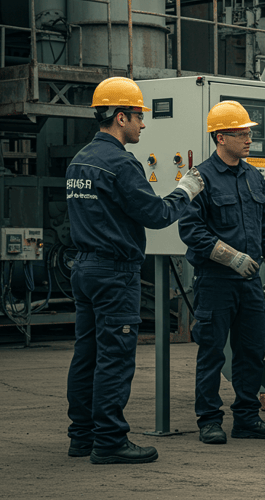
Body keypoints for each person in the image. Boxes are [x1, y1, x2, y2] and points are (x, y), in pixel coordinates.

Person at [66, 76, 205, 464]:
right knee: (114, 357)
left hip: (85, 269)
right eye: (140, 117)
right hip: (115, 272)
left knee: (87, 355)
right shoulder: (120, 163)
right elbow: (156, 215)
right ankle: (109, 441)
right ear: (121, 116)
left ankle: (82, 437)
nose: (144, 124)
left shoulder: (80, 160)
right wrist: (186, 190)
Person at [178, 101, 265, 444]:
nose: (249, 140)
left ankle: (246, 418)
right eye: (242, 134)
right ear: (220, 137)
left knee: (251, 351)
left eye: (249, 134)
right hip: (215, 281)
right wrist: (231, 258)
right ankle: (209, 420)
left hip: (250, 283)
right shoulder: (197, 178)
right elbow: (191, 231)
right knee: (212, 351)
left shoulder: (254, 176)